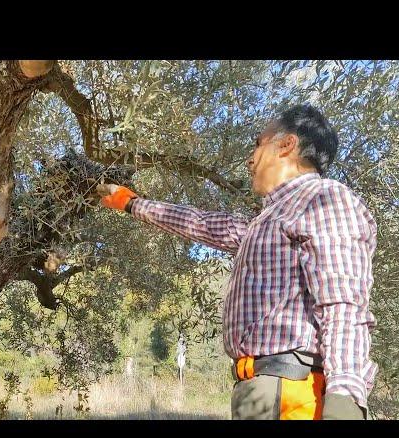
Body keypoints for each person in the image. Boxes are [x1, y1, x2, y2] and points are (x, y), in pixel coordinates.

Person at [96, 104, 377, 420]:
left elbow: (343, 304)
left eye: (258, 143)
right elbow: (201, 223)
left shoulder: (324, 198)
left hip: (292, 391)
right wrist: (131, 203)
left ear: (286, 145)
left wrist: (344, 399)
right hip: (261, 389)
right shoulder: (268, 220)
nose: (250, 157)